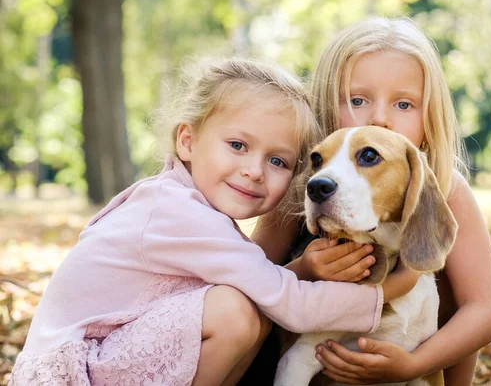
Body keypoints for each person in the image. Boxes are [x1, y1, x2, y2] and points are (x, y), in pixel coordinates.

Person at [9, 58, 390, 386]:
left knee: (251, 311)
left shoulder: (182, 201)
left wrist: (303, 268)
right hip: (69, 375)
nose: (254, 171)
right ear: (187, 141)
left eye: (278, 161)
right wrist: (393, 293)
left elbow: (266, 289)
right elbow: (291, 304)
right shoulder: (176, 212)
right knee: (234, 312)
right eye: (238, 145)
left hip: (97, 359)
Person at [250, 16, 491, 385]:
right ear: (325, 104)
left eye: (403, 104)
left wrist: (415, 365)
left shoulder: (449, 186)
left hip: (414, 356)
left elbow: (483, 312)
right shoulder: (307, 183)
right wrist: (304, 271)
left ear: (430, 115)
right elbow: (251, 278)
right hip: (315, 357)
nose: (380, 118)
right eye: (357, 99)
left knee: (442, 268)